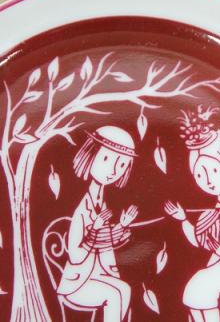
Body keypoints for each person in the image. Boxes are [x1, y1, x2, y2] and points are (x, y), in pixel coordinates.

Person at [164, 106, 220, 322]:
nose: (209, 180)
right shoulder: (215, 212)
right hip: (218, 271)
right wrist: (183, 220)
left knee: (199, 290)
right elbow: (199, 241)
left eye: (214, 170)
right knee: (195, 292)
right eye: (200, 174)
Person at [57, 125, 139, 322]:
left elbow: (105, 241)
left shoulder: (100, 202)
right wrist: (94, 229)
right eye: (106, 159)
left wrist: (122, 225)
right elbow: (76, 256)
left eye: (121, 165)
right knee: (113, 295)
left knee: (124, 289)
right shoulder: (82, 208)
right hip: (77, 283)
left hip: (97, 276)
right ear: (89, 155)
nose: (113, 171)